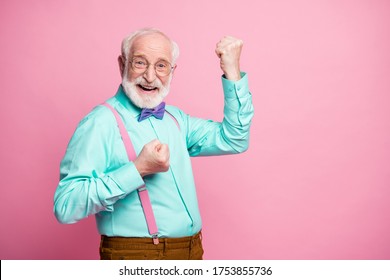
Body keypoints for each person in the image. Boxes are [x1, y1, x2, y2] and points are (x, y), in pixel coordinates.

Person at [54, 28, 254, 260]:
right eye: (140, 63)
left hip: (192, 250)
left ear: (172, 71)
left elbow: (235, 138)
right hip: (136, 254)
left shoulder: (176, 119)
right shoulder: (100, 122)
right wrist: (137, 169)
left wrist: (232, 73)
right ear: (122, 65)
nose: (150, 77)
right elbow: (66, 206)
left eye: (161, 66)